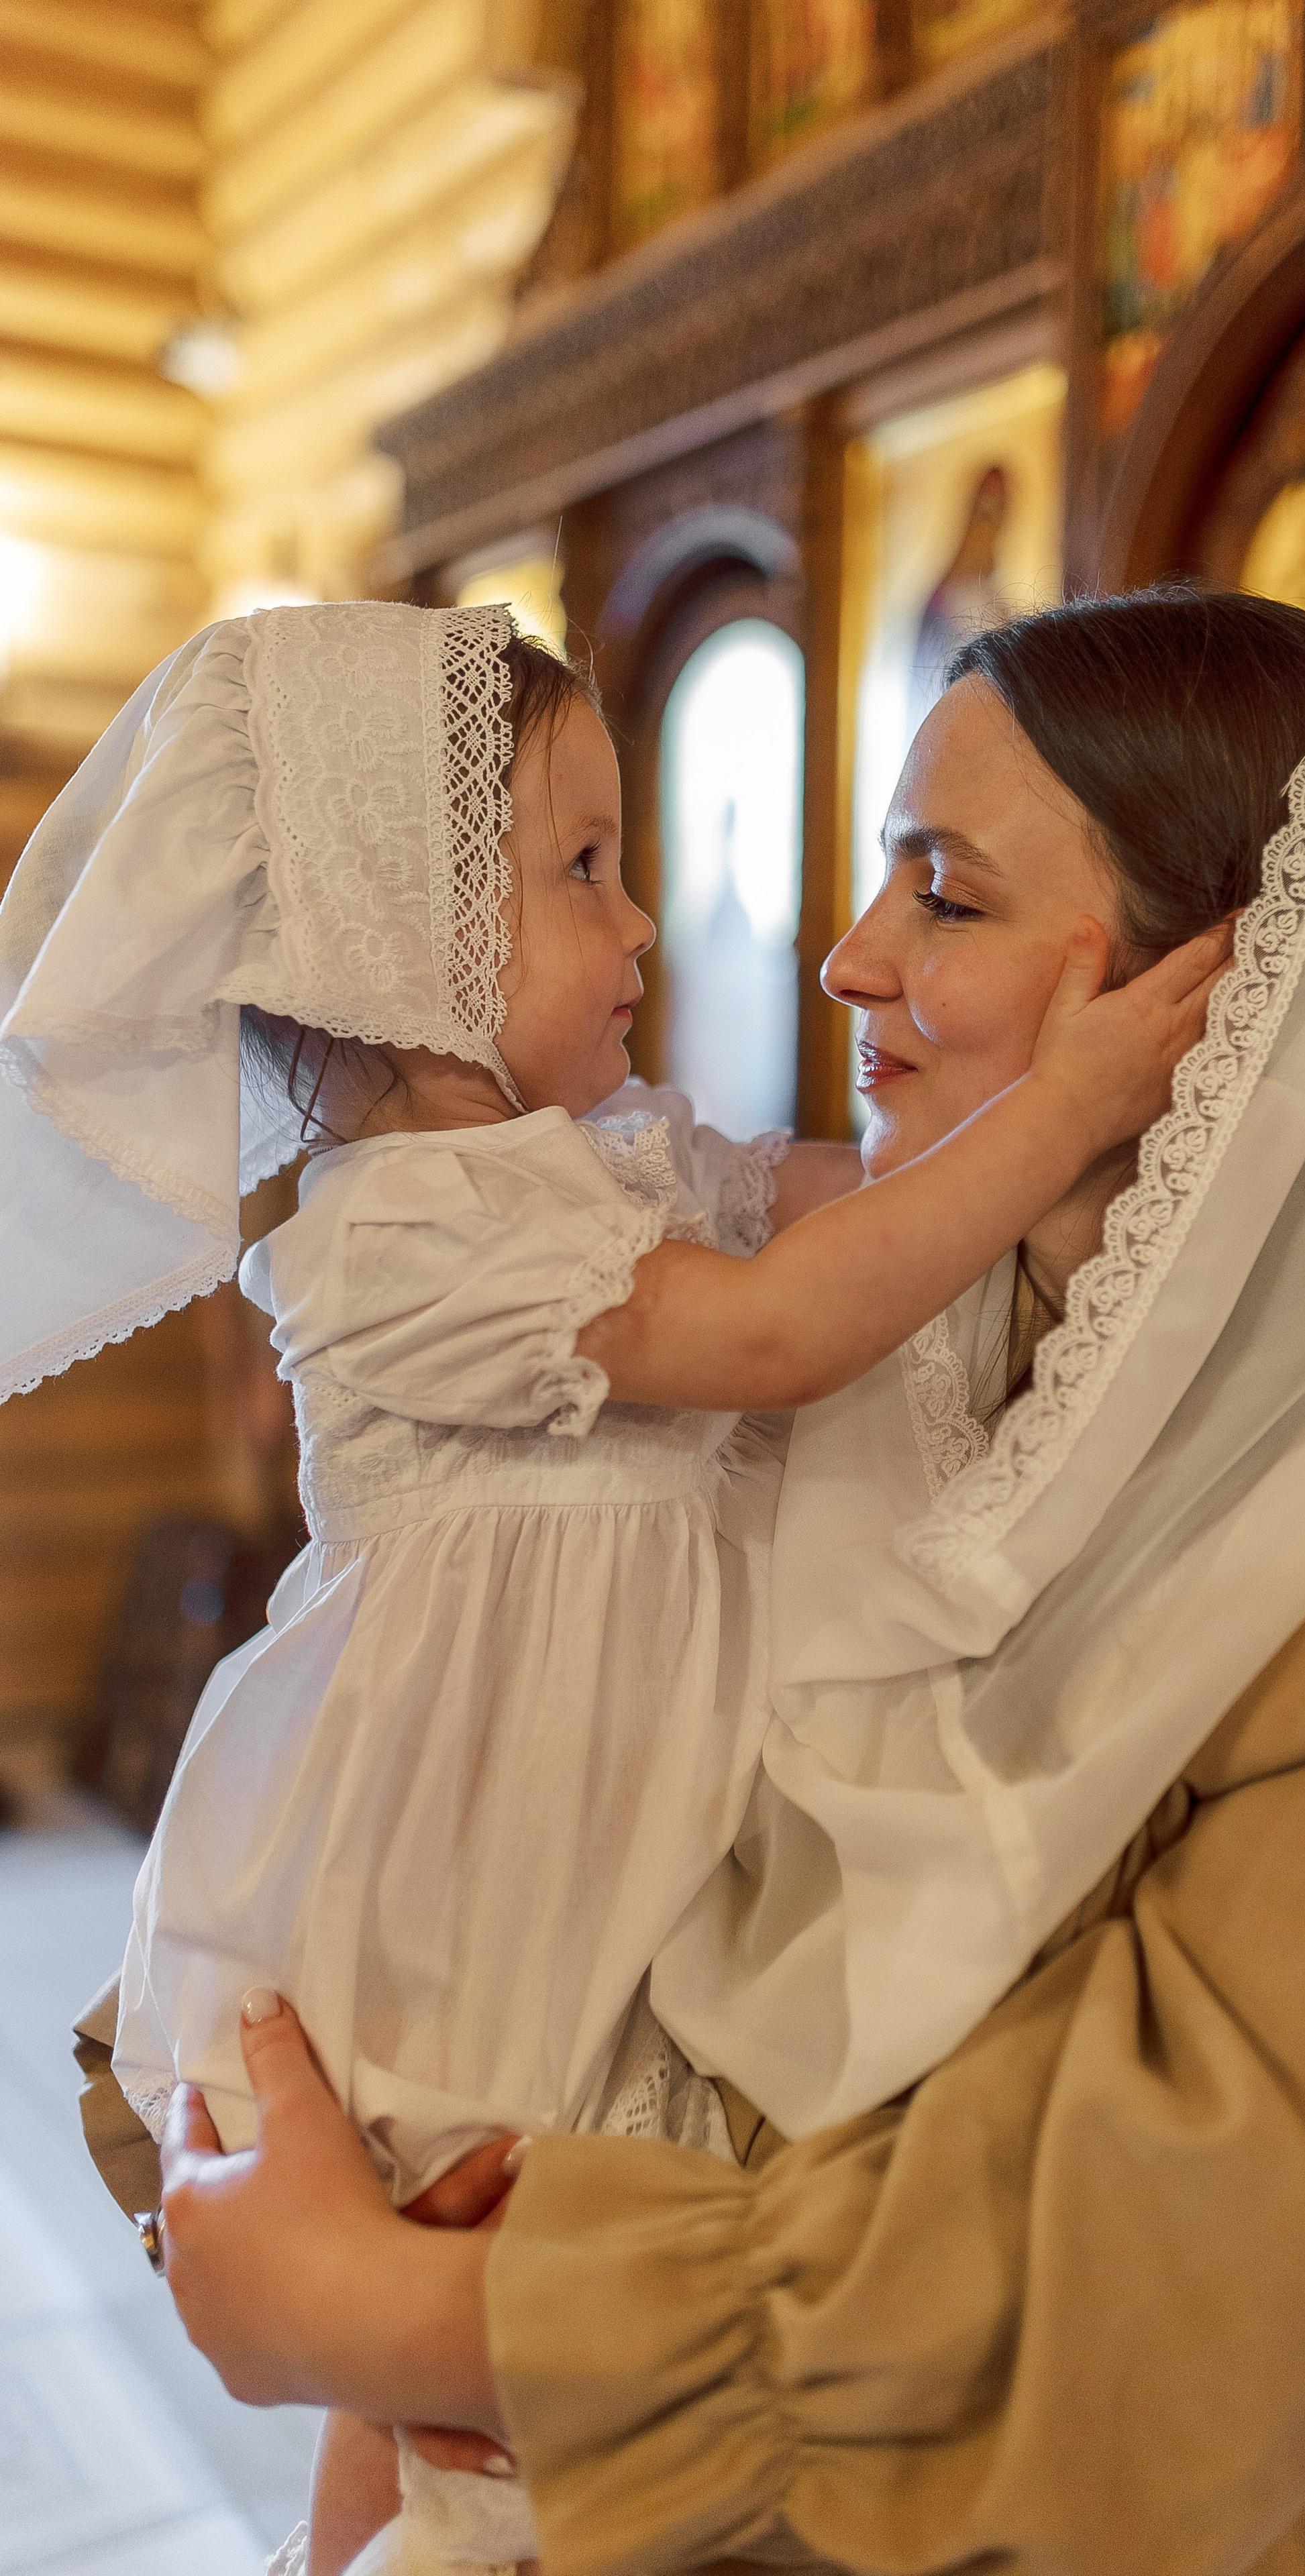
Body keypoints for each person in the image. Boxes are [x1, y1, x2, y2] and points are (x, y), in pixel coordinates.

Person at [81, 591, 1305, 2576]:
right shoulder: (849, 1367)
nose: (846, 957)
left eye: (951, 897)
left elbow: (1194, 2260)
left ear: (1228, 991)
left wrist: (412, 2316)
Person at [0, 598, 1225, 2576]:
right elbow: (774, 1331)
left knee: (466, 2377)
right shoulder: (400, 1227)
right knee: (432, 2360)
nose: (640, 923)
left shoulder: (613, 1160)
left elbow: (844, 1198)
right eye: (581, 870)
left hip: (603, 1829)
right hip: (472, 1859)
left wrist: (1096, 1122)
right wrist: (1070, 1106)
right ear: (396, 951)